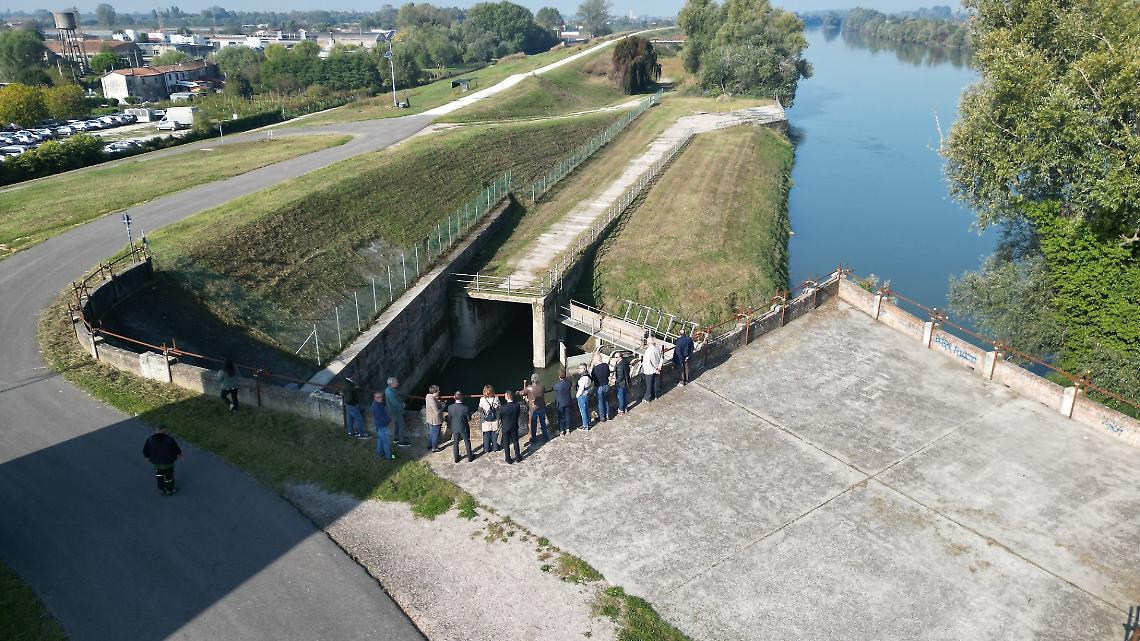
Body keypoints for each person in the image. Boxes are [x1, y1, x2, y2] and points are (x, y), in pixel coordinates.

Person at [143, 425, 183, 495]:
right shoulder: (170, 439)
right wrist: (180, 455)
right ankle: (170, 490)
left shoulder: (150, 439)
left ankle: (162, 489)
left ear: (156, 431)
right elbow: (176, 448)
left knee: (159, 476)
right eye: (166, 430)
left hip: (156, 463)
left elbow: (145, 450)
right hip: (168, 463)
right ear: (164, 430)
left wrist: (147, 457)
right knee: (169, 477)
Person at [447, 392, 472, 463]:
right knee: (467, 442)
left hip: (454, 427)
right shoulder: (465, 408)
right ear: (462, 398)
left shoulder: (450, 407)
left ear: (454, 397)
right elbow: (469, 419)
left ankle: (456, 458)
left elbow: (449, 417)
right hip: (464, 427)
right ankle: (470, 457)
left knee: (455, 442)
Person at [525, 373, 549, 445]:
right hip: (541, 407)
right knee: (543, 422)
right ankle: (545, 437)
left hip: (533, 408)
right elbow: (544, 391)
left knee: (534, 424)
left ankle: (534, 438)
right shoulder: (542, 386)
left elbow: (521, 393)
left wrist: (517, 392)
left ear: (532, 380)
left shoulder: (529, 388)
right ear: (537, 379)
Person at [499, 389, 522, 464]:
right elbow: (518, 415)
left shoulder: (502, 407)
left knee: (506, 443)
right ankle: (518, 457)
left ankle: (508, 458)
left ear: (507, 397)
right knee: (515, 441)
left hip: (505, 427)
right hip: (514, 426)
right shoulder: (517, 406)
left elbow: (500, 417)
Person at [385, 377, 409, 447]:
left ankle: (396, 438)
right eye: (396, 382)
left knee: (396, 424)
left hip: (393, 411)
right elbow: (395, 403)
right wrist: (403, 405)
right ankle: (402, 441)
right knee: (402, 425)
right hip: (396, 411)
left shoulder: (389, 389)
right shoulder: (390, 392)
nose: (397, 383)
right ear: (391, 384)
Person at [372, 391, 395, 460]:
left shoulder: (377, 403)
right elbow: (382, 417)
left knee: (380, 440)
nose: (380, 398)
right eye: (378, 397)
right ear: (374, 398)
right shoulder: (376, 406)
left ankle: (379, 453)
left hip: (379, 425)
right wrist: (389, 420)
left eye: (381, 397)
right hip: (382, 426)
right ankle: (389, 457)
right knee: (386, 442)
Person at [478, 385, 500, 456]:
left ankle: (486, 448)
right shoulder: (496, 398)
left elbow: (479, 409)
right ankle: (495, 447)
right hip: (494, 419)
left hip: (486, 420)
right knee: (494, 434)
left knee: (486, 435)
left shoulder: (482, 399)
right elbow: (499, 407)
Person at [590, 352, 611, 423]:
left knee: (600, 402)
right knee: (606, 400)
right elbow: (608, 374)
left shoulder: (595, 369)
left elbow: (592, 379)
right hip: (606, 385)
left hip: (599, 387)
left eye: (594, 360)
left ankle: (602, 417)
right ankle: (608, 415)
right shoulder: (606, 365)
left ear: (596, 360)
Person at [642, 337, 663, 403]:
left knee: (649, 385)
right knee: (655, 383)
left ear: (649, 343)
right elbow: (661, 358)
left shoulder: (648, 351)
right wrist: (659, 368)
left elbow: (648, 362)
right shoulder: (657, 348)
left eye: (647, 342)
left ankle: (647, 398)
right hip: (657, 368)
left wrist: (654, 369)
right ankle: (655, 396)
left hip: (650, 370)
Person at [553, 369, 572, 435]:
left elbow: (554, 388)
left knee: (560, 416)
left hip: (560, 403)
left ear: (559, 376)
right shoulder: (569, 382)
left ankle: (561, 430)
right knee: (568, 415)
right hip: (568, 401)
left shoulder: (557, 385)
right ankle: (568, 429)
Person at [424, 385, 443, 453]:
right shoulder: (432, 400)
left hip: (429, 419)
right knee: (435, 434)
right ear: (434, 392)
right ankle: (434, 448)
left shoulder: (428, 396)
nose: (439, 391)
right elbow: (437, 412)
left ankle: (429, 445)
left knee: (431, 433)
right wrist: (443, 406)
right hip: (435, 420)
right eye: (438, 391)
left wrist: (437, 400)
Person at [612, 351, 631, 415]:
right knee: (624, 396)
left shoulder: (620, 365)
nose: (615, 358)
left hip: (621, 384)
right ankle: (625, 407)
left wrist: (615, 381)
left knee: (621, 397)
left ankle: (620, 409)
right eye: (614, 357)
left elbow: (620, 377)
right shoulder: (625, 361)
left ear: (620, 357)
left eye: (616, 357)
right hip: (626, 382)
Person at [575, 363, 592, 430]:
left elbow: (581, 389)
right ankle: (588, 422)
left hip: (582, 396)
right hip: (586, 394)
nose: (578, 369)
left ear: (584, 369)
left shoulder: (583, 379)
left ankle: (585, 426)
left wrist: (577, 396)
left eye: (580, 368)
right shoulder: (588, 376)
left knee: (583, 411)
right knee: (587, 409)